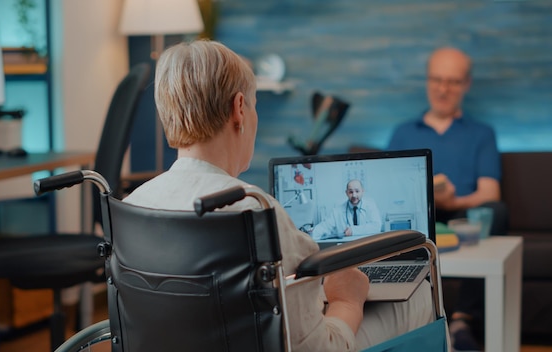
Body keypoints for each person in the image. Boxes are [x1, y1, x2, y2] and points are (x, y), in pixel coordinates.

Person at [123, 39, 435, 351]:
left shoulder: (132, 205)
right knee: (419, 295)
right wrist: (347, 301)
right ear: (240, 108)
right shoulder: (257, 213)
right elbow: (316, 348)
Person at [388, 46, 507, 351]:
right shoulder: (403, 133)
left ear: (466, 84)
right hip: (417, 221)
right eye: (437, 80)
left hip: (463, 219)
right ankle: (418, 317)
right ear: (427, 81)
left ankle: (462, 319)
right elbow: (389, 189)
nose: (443, 89)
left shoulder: (482, 133)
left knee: (497, 210)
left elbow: (490, 192)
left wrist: (454, 202)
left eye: (453, 82)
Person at [311, 179, 382, 240]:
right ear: (346, 193)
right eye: (351, 192)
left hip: (366, 246)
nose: (354, 195)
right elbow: (324, 227)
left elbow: (376, 227)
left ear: (362, 191)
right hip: (347, 248)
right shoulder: (337, 211)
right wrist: (308, 237)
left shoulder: (370, 206)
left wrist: (353, 230)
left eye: (357, 191)